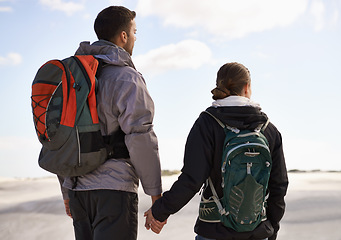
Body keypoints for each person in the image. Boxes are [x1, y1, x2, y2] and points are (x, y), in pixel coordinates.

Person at [145, 62, 288, 240]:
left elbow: (191, 179)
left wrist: (160, 211)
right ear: (247, 87)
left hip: (214, 230)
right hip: (257, 232)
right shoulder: (268, 130)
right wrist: (271, 228)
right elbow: (279, 185)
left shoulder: (207, 123)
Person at [57, 6, 162, 240]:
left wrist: (66, 189)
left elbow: (60, 136)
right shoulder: (126, 77)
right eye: (135, 31)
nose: (135, 37)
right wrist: (155, 195)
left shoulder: (73, 78)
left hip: (77, 190)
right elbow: (140, 135)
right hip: (114, 189)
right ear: (123, 36)